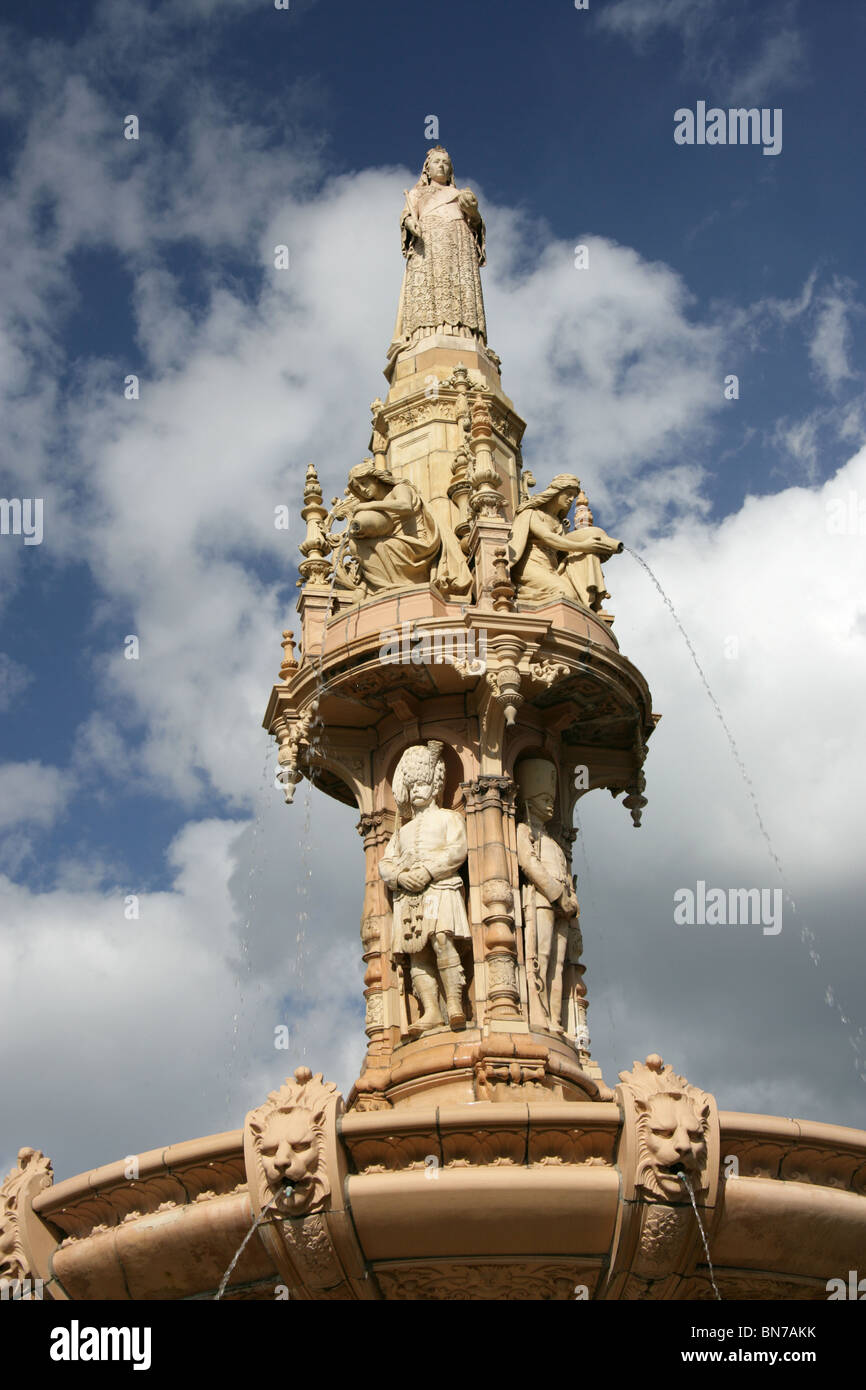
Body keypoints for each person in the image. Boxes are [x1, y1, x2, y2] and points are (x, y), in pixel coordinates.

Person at [379, 741, 470, 1035]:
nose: (418, 789)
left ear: (436, 785)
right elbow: (386, 863)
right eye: (413, 785)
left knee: (442, 941)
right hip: (409, 895)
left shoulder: (450, 818)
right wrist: (399, 877)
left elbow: (457, 850)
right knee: (416, 952)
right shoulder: (402, 831)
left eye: (424, 783)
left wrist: (429, 870)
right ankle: (431, 1010)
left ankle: (455, 1004)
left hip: (440, 888)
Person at [389, 146, 487, 359]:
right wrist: (409, 223)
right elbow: (406, 217)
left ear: (450, 170)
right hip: (428, 243)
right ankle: (426, 336)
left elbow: (476, 225)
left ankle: (464, 335)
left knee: (458, 286)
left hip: (458, 243)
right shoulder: (416, 194)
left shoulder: (460, 194)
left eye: (445, 163)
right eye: (437, 162)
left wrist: (472, 212)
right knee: (431, 286)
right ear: (427, 169)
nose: (441, 166)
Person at [508, 473, 622, 609]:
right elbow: (549, 537)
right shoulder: (531, 513)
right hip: (531, 565)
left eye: (573, 496)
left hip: (552, 568)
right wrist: (584, 546)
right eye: (568, 493)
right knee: (567, 594)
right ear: (556, 492)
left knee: (577, 596)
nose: (571, 499)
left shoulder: (559, 523)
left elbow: (566, 549)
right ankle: (523, 592)